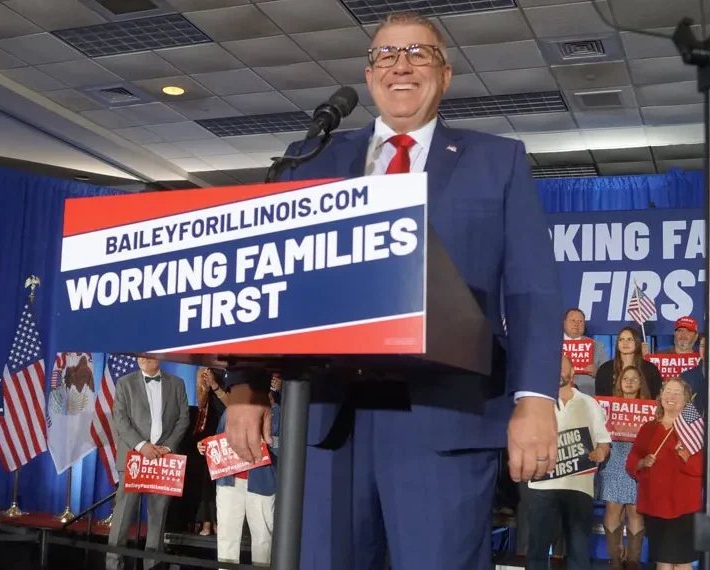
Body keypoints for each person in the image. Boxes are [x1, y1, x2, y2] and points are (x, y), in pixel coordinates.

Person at [222, 11, 562, 570]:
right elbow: (268, 274)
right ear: (369, 73)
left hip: (444, 418)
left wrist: (535, 399)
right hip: (326, 419)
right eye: (386, 54)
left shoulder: (497, 162)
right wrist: (247, 384)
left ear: (445, 75)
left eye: (418, 53)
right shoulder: (310, 157)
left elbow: (532, 291)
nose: (401, 65)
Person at [526, 356, 611, 570]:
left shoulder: (589, 403)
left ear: (572, 373)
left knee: (578, 550)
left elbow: (603, 441)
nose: (557, 372)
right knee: (537, 550)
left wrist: (601, 452)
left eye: (562, 368)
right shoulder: (535, 404)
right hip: (542, 485)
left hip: (578, 485)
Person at [106, 356, 190, 570]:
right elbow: (120, 418)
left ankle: (153, 566)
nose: (143, 358)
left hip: (163, 459)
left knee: (158, 519)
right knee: (122, 516)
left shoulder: (177, 383)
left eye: (148, 354)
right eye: (140, 355)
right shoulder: (125, 383)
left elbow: (183, 419)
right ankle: (114, 565)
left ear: (159, 358)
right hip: (133, 458)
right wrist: (142, 446)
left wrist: (168, 447)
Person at [626, 378, 703, 570]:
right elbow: (632, 462)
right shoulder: (648, 428)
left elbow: (699, 468)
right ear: (660, 397)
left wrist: (682, 451)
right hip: (656, 504)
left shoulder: (694, 431)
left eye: (677, 393)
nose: (671, 396)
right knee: (663, 560)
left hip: (684, 506)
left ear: (686, 400)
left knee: (682, 561)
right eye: (668, 391)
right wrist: (643, 462)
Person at [198, 397, 280, 568]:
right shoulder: (231, 410)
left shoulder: (274, 411)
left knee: (263, 538)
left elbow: (285, 445)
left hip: (261, 482)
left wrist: (267, 443)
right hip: (229, 482)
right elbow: (219, 439)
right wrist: (205, 446)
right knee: (227, 535)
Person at [596, 365, 651, 570]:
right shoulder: (607, 407)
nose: (629, 382)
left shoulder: (650, 408)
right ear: (619, 382)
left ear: (641, 383)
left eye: (634, 379)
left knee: (635, 511)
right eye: (625, 378)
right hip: (614, 457)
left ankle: (633, 561)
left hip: (637, 459)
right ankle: (616, 560)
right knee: (613, 508)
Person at [193, 367, 228, 536]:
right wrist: (204, 386)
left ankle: (218, 521)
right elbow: (201, 403)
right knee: (208, 478)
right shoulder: (203, 369)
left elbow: (232, 405)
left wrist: (215, 385)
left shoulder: (232, 372)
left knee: (222, 479)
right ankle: (206, 520)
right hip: (209, 428)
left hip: (228, 425)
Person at [595, 327, 662, 399]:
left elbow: (657, 397)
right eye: (621, 339)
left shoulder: (651, 369)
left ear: (637, 342)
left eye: (629, 339)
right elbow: (599, 398)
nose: (625, 343)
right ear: (617, 344)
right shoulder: (605, 369)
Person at [563, 307, 609, 396]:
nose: (576, 324)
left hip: (587, 395)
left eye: (580, 321)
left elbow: (608, 374)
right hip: (558, 395)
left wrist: (598, 372)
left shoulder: (597, 345)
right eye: (573, 320)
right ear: (564, 322)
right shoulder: (553, 345)